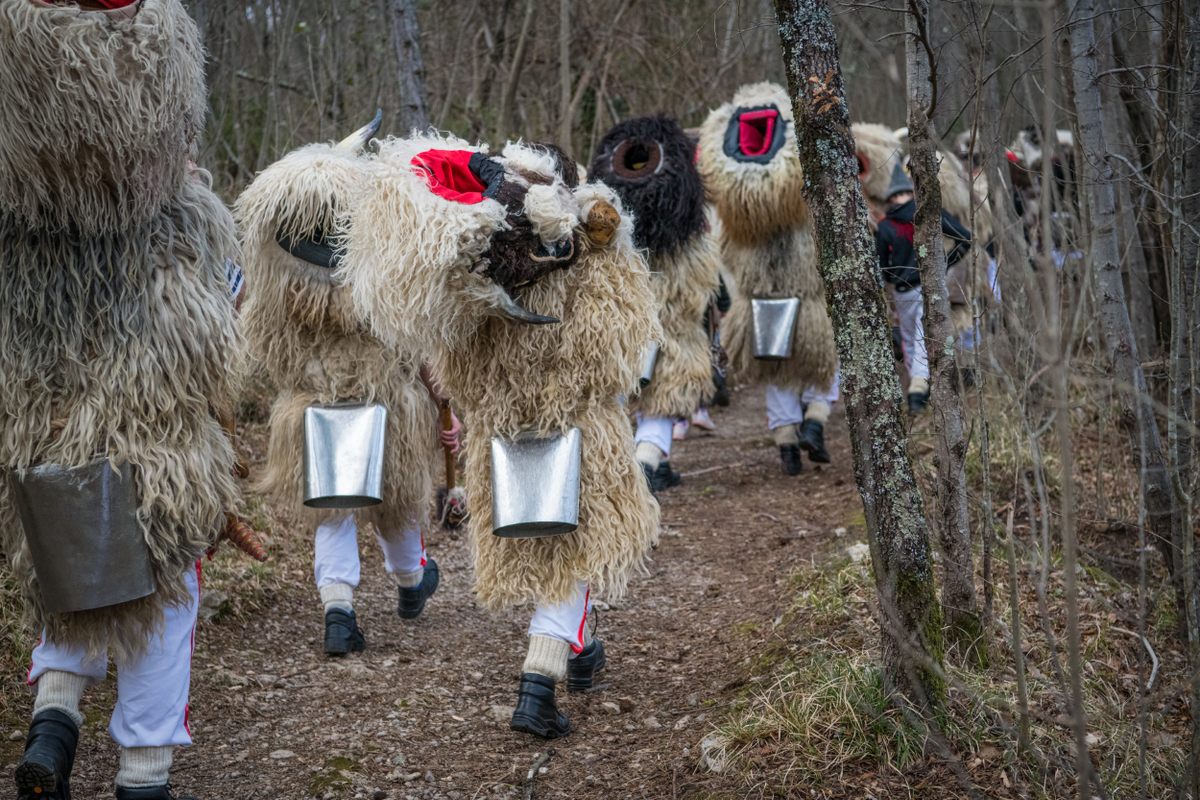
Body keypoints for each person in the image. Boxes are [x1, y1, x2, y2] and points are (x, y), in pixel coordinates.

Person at [337, 135, 660, 739]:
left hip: (501, 430)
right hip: (580, 425)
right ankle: (538, 686)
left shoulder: (475, 270)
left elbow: (452, 366)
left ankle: (582, 651)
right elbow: (617, 353)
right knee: (575, 555)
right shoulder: (590, 253)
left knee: (547, 549)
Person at [1, 2, 244, 797]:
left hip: (42, 434)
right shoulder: (182, 223)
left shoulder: (12, 233)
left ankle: (53, 719)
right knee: (162, 591)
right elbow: (208, 334)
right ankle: (143, 771)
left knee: (62, 568)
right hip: (153, 446)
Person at [235, 118, 453, 656]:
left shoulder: (276, 289)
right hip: (387, 404)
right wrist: (440, 393)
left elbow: (257, 346)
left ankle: (339, 611)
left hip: (312, 407)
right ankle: (409, 580)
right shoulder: (377, 279)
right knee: (395, 502)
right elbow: (415, 340)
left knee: (332, 508)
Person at [589, 115, 720, 492]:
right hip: (672, 321)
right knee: (667, 393)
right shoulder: (689, 239)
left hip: (622, 316)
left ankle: (641, 462)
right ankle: (647, 458)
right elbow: (703, 281)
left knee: (625, 390)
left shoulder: (609, 238)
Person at [875, 162, 973, 414]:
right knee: (925, 336)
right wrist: (942, 265)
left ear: (891, 197)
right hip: (931, 285)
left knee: (911, 338)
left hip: (902, 290)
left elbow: (881, 268)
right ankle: (920, 389)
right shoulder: (929, 213)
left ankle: (918, 390)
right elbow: (964, 238)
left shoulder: (885, 227)